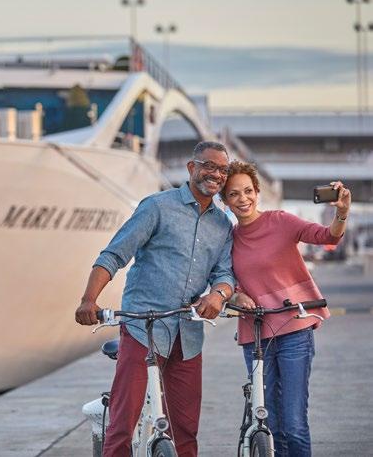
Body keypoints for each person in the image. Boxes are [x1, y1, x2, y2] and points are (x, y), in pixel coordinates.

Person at [75, 141, 235, 457]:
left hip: (188, 334)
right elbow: (114, 254)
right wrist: (89, 299)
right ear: (192, 167)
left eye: (223, 169)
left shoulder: (222, 225)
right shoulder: (157, 206)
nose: (216, 174)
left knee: (186, 430)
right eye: (209, 165)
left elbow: (225, 274)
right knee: (123, 424)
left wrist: (218, 295)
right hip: (142, 328)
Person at [220, 161, 351, 457]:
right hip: (255, 336)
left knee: (293, 425)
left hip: (294, 331)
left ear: (257, 192)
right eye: (233, 194)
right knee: (270, 424)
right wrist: (236, 296)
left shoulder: (280, 221)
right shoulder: (227, 239)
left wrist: (341, 212)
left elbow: (327, 237)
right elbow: (222, 279)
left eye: (248, 191)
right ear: (224, 200)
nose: (243, 199)